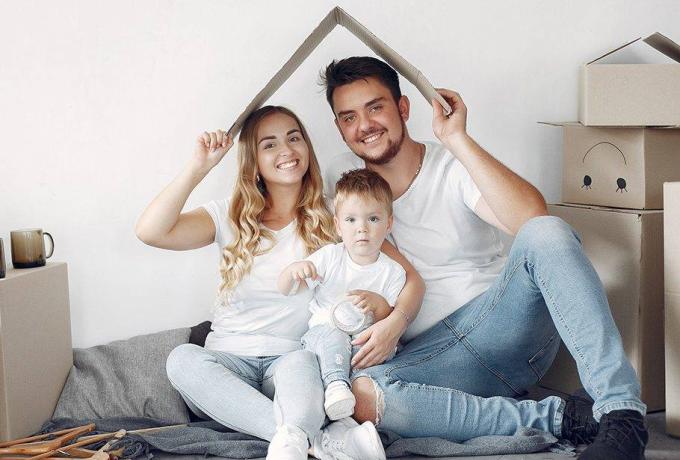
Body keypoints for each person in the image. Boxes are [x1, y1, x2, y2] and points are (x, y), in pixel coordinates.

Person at [320, 56, 648, 460]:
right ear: (339, 127)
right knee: (361, 396)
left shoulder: (450, 165)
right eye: (349, 117)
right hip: (430, 359)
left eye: (375, 107)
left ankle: (621, 414)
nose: (365, 125)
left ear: (402, 108)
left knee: (546, 232)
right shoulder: (343, 181)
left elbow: (531, 217)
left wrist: (457, 139)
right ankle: (566, 419)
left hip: (500, 327)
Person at [135, 105, 422, 460]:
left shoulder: (338, 215)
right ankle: (312, 440)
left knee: (303, 363)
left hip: (292, 363)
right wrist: (199, 167)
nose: (286, 150)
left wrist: (393, 320)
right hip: (227, 365)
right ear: (253, 161)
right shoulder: (229, 214)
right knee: (181, 360)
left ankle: (295, 438)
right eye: (269, 144)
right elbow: (150, 231)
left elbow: (411, 280)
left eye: (294, 138)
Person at [278, 168, 407, 421]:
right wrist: (293, 272)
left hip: (360, 342)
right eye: (351, 220)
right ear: (338, 225)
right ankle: (337, 386)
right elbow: (285, 289)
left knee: (381, 348)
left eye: (373, 219)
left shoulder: (393, 272)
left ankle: (348, 403)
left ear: (388, 224)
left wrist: (380, 305)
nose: (362, 229)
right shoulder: (330, 257)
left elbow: (391, 321)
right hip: (323, 336)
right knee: (334, 336)